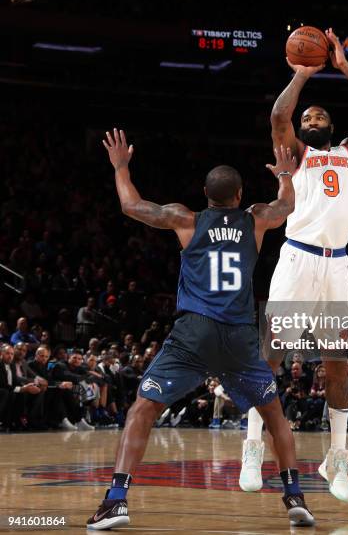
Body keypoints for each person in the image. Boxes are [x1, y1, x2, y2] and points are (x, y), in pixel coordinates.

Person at [87, 129, 314, 530]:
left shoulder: (186, 220)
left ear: (206, 195)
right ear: (240, 195)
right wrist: (284, 174)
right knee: (274, 416)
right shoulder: (256, 219)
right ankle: (295, 497)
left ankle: (116, 500)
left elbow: (131, 205)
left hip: (194, 333)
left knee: (144, 408)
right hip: (239, 336)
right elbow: (287, 206)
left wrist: (121, 166)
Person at [239, 28, 348, 502]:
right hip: (299, 258)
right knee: (272, 356)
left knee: (338, 365)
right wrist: (302, 73)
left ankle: (336, 461)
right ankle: (251, 444)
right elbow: (279, 114)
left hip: (337, 267)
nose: (313, 115)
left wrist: (344, 66)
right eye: (310, 115)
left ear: (330, 124)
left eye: (320, 113)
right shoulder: (296, 155)